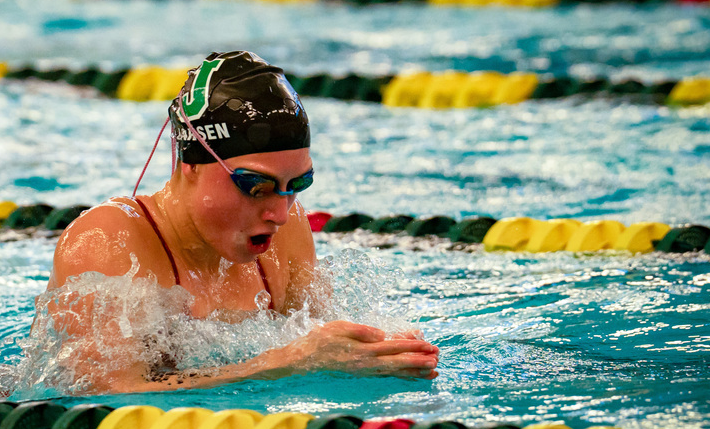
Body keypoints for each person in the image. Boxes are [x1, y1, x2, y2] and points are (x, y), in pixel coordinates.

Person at [36, 50, 439, 394]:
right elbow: (108, 392)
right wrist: (288, 361)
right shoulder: (109, 243)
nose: (280, 214)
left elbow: (320, 340)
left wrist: (375, 350)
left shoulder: (288, 226)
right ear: (191, 163)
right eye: (256, 186)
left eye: (296, 185)